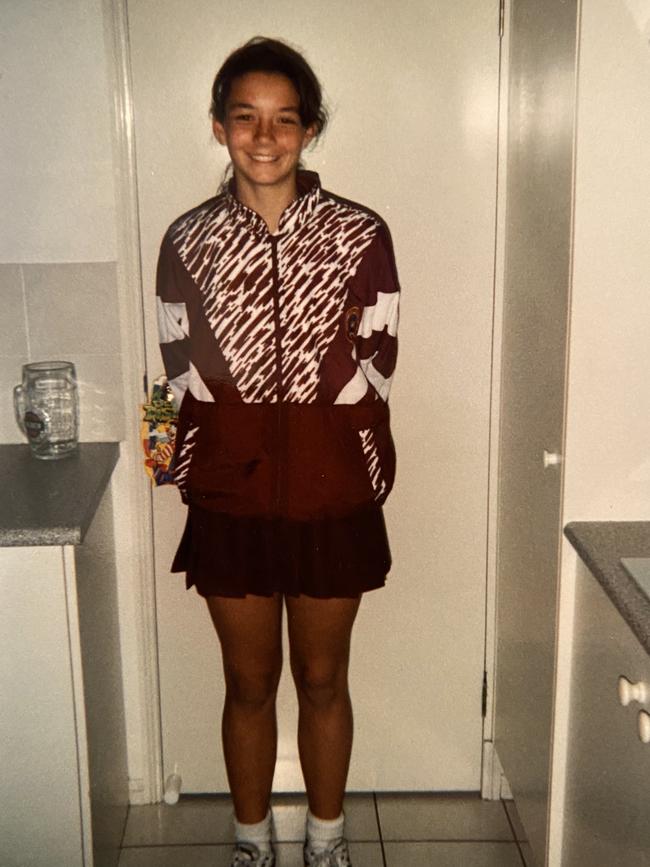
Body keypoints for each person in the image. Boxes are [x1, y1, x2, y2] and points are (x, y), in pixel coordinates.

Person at [156, 36, 400, 867]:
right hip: (232, 497)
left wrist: (352, 463)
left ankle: (327, 842)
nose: (265, 138)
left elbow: (377, 368)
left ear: (310, 128)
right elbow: (176, 373)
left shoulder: (361, 234)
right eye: (245, 118)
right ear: (220, 128)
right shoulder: (186, 240)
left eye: (285, 120)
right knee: (248, 685)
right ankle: (253, 841)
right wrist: (175, 466)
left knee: (325, 681)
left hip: (333, 496)